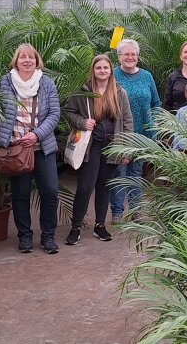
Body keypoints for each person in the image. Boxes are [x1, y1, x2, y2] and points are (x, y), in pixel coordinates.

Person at [0, 44, 61, 254]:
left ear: (37, 60)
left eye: (31, 57)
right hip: (15, 149)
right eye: (22, 57)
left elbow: (54, 114)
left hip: (42, 147)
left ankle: (48, 236)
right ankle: (24, 236)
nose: (27, 61)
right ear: (16, 61)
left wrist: (36, 134)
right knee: (20, 194)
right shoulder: (6, 82)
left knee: (50, 191)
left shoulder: (46, 83)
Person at [64, 55, 133, 245]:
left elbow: (127, 121)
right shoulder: (84, 92)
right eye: (99, 68)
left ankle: (99, 226)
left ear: (111, 70)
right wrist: (82, 122)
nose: (102, 71)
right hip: (90, 146)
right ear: (93, 71)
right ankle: (76, 227)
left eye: (106, 68)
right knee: (85, 187)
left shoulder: (119, 92)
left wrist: (126, 149)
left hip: (111, 147)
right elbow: (69, 112)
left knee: (104, 187)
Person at [109, 39, 160, 224]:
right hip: (119, 134)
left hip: (142, 134)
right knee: (118, 173)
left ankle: (136, 210)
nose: (130, 57)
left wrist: (154, 126)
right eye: (126, 54)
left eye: (133, 54)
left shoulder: (147, 76)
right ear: (119, 56)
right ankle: (116, 210)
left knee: (135, 173)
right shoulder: (112, 76)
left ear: (138, 57)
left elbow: (156, 103)